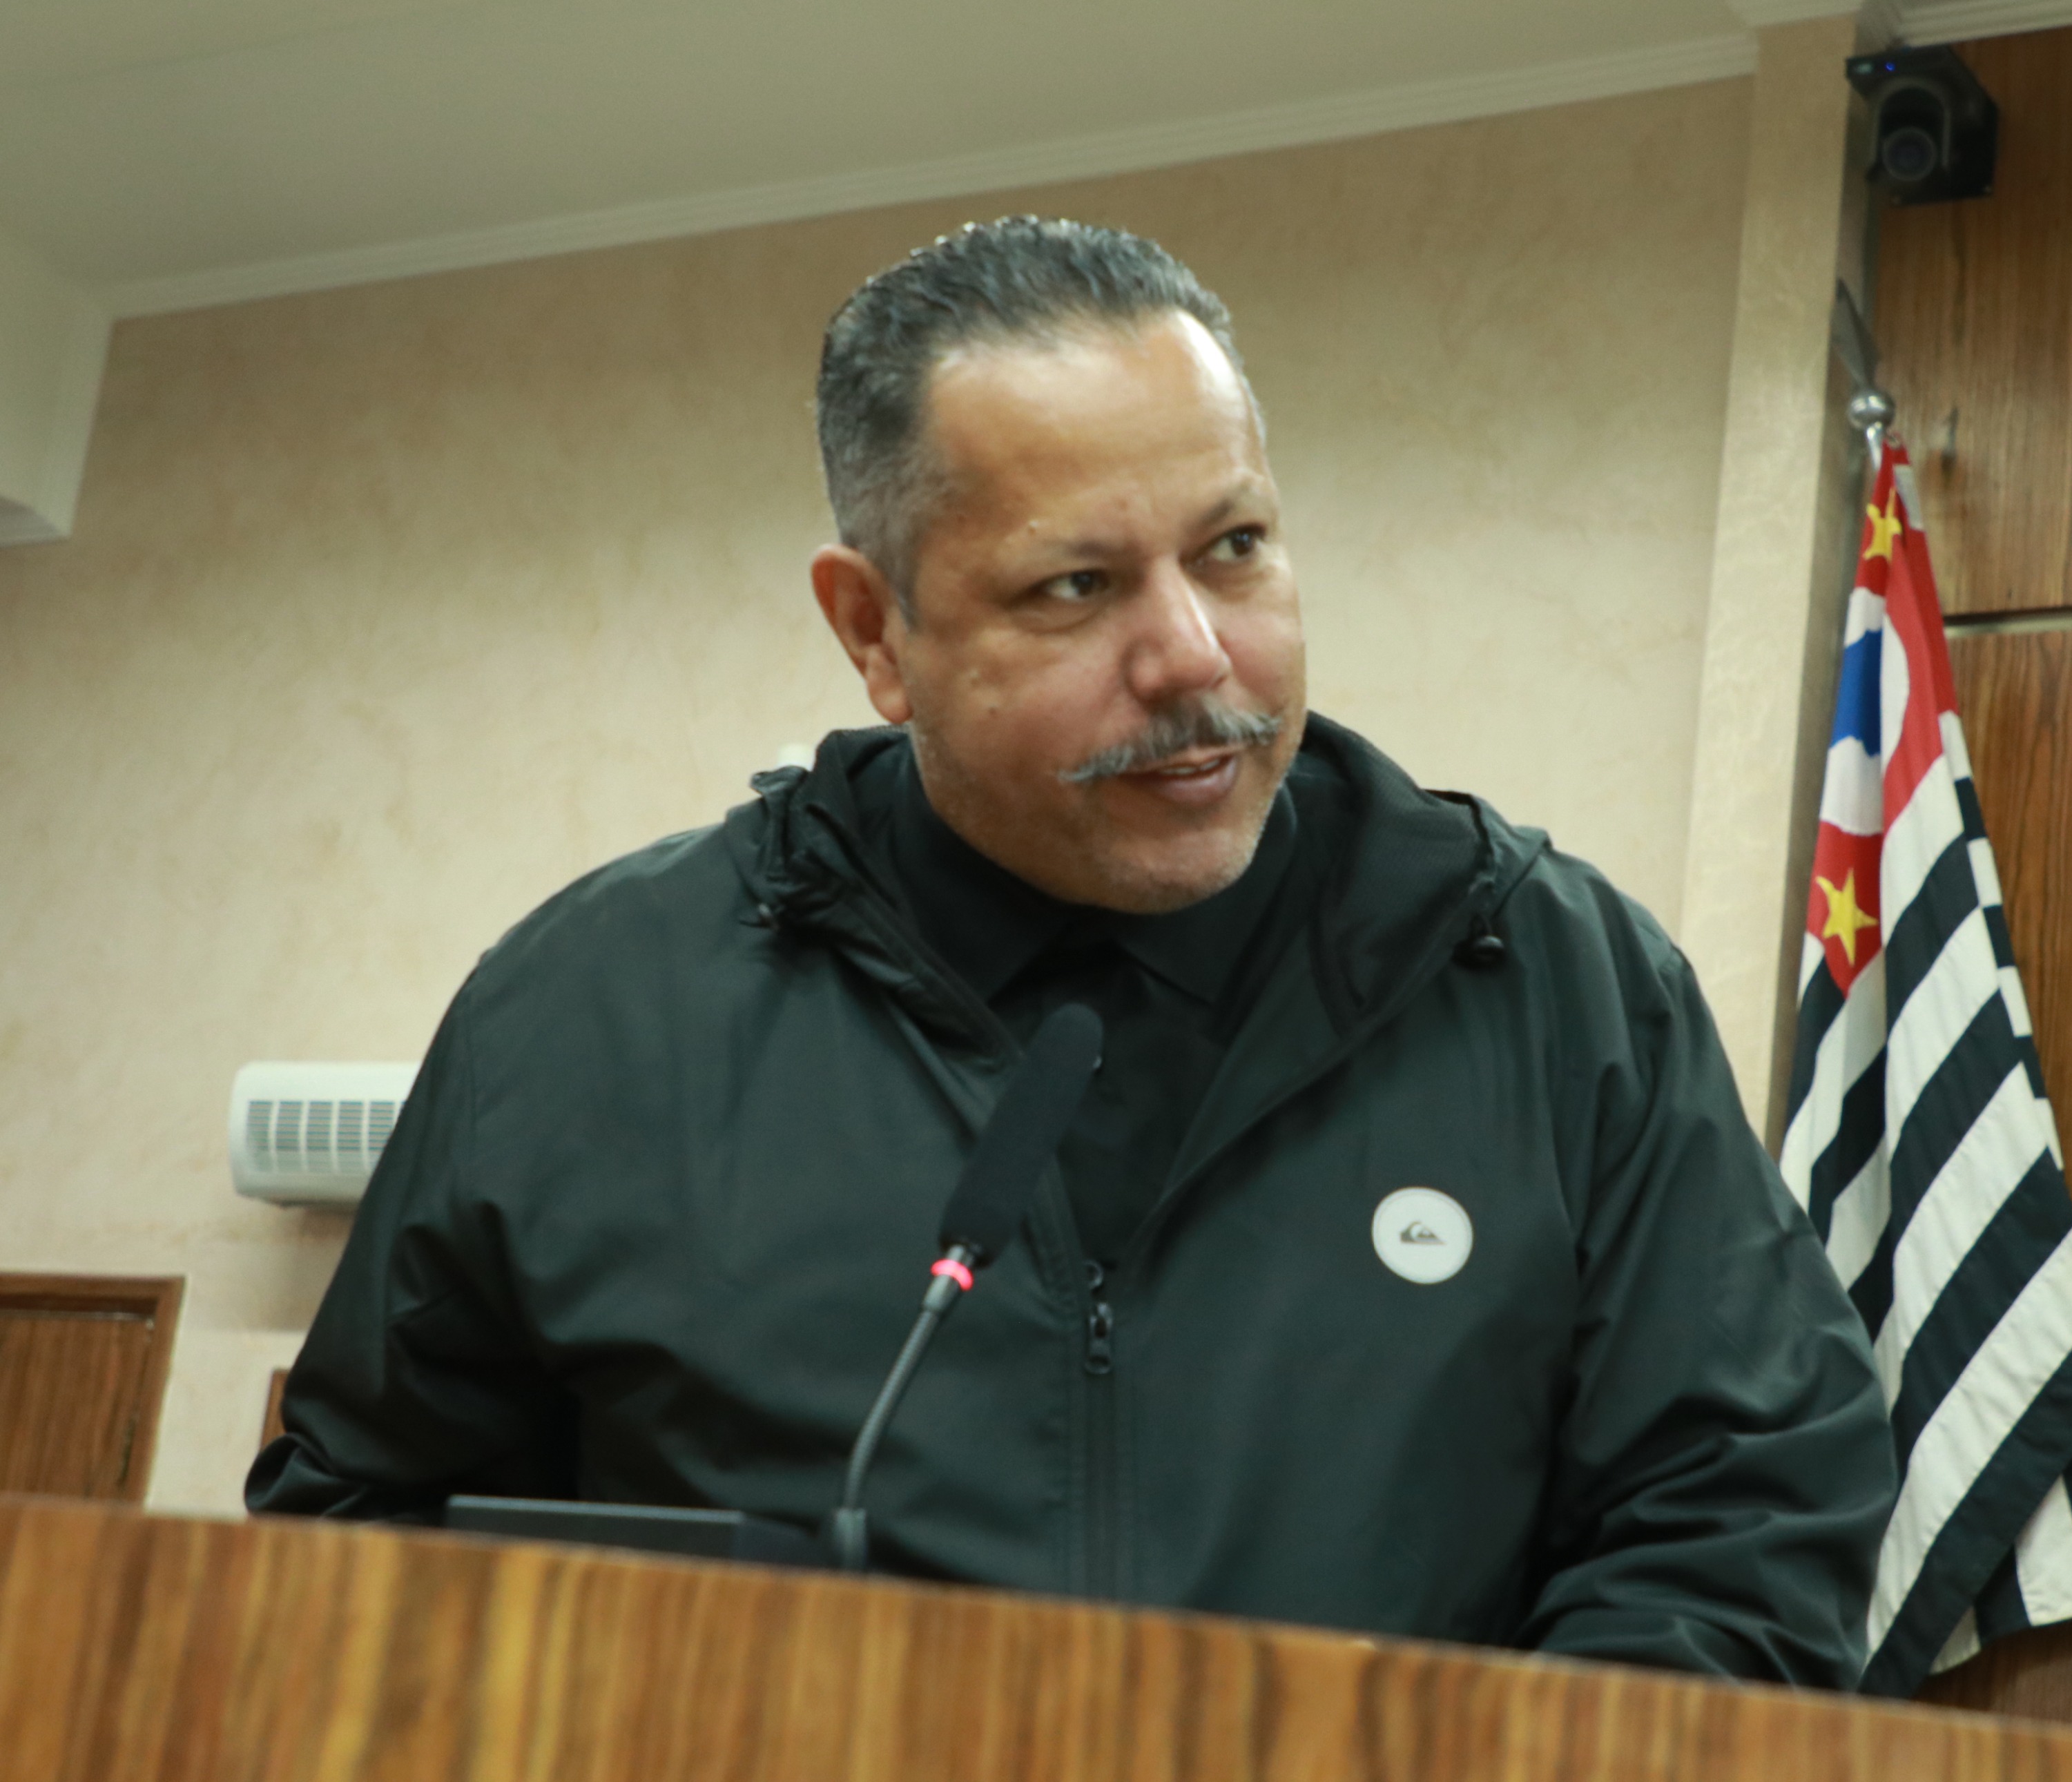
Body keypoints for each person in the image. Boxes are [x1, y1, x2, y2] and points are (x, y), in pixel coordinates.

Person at [249, 217, 1896, 1686]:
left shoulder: (1548, 978)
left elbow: (1742, 1515)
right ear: (875, 632)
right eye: (1075, 585)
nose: (1192, 656)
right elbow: (362, 1532)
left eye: (1234, 547)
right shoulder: (591, 1010)